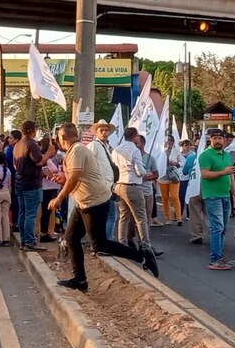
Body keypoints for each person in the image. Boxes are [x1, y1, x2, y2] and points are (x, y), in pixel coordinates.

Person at [50, 123, 158, 292]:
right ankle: (80, 280)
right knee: (71, 238)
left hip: (95, 202)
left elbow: (75, 177)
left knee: (100, 244)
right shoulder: (73, 151)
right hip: (84, 201)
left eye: (58, 138)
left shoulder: (78, 149)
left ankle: (142, 256)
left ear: (63, 138)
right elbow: (74, 177)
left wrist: (59, 197)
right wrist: (62, 178)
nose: (57, 141)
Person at [198, 129, 235, 270]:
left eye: (220, 138)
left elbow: (231, 176)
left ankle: (219, 256)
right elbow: (205, 174)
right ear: (210, 140)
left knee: (223, 228)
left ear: (224, 140)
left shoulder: (227, 155)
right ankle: (214, 259)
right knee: (217, 227)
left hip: (225, 195)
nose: (217, 141)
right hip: (212, 196)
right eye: (214, 138)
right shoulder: (205, 156)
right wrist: (223, 172)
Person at [13, 121, 56, 251]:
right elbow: (39, 162)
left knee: (23, 213)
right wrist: (49, 152)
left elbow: (16, 165)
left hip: (20, 182)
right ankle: (30, 242)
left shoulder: (18, 144)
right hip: (31, 184)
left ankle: (24, 241)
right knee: (31, 214)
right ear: (32, 130)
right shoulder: (31, 144)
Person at [112, 128, 153, 252]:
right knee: (141, 217)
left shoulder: (116, 150)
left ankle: (122, 243)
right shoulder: (135, 150)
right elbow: (140, 171)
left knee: (123, 217)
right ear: (135, 137)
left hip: (119, 185)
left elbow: (114, 166)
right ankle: (146, 245)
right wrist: (145, 173)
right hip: (132, 186)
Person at [87, 120, 118, 240]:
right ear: (96, 132)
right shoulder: (94, 145)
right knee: (108, 216)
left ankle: (104, 241)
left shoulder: (106, 146)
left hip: (108, 186)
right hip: (101, 186)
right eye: (101, 130)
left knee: (107, 216)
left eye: (106, 130)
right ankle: (105, 242)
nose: (104, 133)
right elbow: (89, 163)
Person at [182, 141, 208, 244]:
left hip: (193, 186)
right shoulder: (209, 157)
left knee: (195, 212)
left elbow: (184, 172)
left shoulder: (191, 158)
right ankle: (215, 235)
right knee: (210, 212)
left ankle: (196, 235)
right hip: (207, 187)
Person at [135, 135, 160, 229]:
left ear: (143, 144)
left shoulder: (151, 158)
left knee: (147, 214)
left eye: (137, 143)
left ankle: (145, 235)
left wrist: (146, 178)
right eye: (134, 143)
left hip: (147, 191)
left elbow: (156, 174)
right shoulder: (131, 157)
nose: (136, 145)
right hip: (135, 190)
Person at [158, 136, 183, 226]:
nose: (169, 142)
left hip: (173, 177)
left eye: (171, 141)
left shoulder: (176, 151)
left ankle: (179, 217)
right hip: (163, 177)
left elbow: (182, 162)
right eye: (168, 140)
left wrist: (176, 163)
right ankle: (168, 218)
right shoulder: (160, 151)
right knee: (165, 198)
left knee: (175, 196)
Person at [4, 130, 21, 231]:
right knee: (14, 201)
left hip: (16, 177)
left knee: (16, 201)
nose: (9, 140)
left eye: (11, 138)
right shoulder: (10, 149)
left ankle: (16, 222)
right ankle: (14, 222)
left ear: (17, 139)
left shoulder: (16, 149)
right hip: (11, 177)